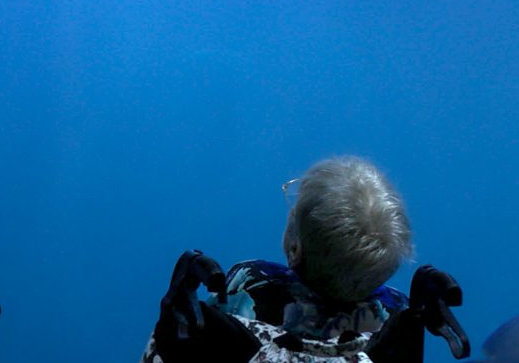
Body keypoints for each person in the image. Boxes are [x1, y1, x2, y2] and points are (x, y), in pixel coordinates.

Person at [144, 155, 445, 363]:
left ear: (294, 250)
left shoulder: (252, 281)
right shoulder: (398, 317)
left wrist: (169, 331)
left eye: (295, 207)